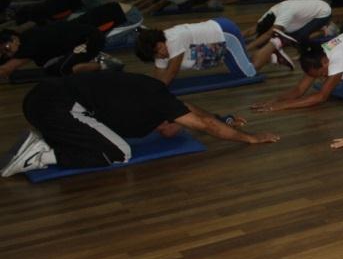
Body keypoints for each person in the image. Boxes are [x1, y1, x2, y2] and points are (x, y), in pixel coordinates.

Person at [1, 71, 280, 177]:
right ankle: (41, 156)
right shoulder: (161, 105)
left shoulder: (159, 96)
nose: (179, 131)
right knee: (118, 153)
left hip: (42, 99)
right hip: (56, 107)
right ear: (170, 119)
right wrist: (250, 138)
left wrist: (223, 117)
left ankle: (44, 140)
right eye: (181, 127)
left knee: (96, 132)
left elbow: (198, 113)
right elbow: (203, 124)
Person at [134, 18, 294, 85]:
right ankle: (272, 55)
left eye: (159, 49)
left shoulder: (173, 40)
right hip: (215, 35)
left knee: (248, 73)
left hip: (226, 34)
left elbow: (171, 73)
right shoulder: (159, 45)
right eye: (156, 54)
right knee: (239, 66)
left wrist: (154, 91)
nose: (161, 54)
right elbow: (159, 73)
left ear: (160, 40)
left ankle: (276, 41)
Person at [0, 17, 123, 80]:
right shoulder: (24, 38)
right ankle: (89, 58)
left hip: (90, 39)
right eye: (5, 54)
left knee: (63, 70)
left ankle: (104, 63)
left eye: (7, 48)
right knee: (50, 69)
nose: (9, 53)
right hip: (78, 41)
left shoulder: (27, 45)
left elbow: (6, 69)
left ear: (13, 38)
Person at [245, 0, 333, 49]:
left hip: (323, 12)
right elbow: (252, 29)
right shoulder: (271, 12)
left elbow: (269, 34)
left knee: (300, 37)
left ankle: (326, 30)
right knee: (267, 39)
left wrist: (247, 48)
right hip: (309, 10)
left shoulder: (285, 15)